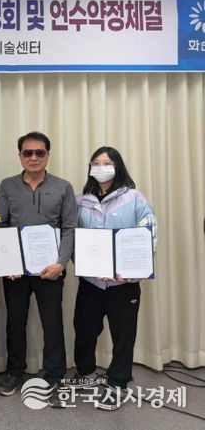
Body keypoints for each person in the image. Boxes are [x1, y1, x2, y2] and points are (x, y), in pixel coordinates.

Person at [0, 132, 76, 407]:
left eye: (39, 152)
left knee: (52, 324)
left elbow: (69, 228)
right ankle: (15, 371)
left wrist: (60, 264)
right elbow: (1, 225)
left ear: (47, 155)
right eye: (27, 152)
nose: (33, 157)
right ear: (19, 156)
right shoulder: (7, 186)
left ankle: (55, 376)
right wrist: (7, 263)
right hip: (16, 272)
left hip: (50, 270)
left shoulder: (63, 187)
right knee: (15, 323)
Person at [73, 146, 157, 411]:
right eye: (95, 163)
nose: (101, 167)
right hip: (91, 283)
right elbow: (72, 236)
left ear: (117, 166)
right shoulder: (81, 200)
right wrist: (81, 263)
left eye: (106, 163)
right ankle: (85, 372)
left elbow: (149, 234)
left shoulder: (134, 198)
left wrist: (130, 272)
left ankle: (118, 383)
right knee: (84, 329)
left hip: (123, 284)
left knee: (123, 335)